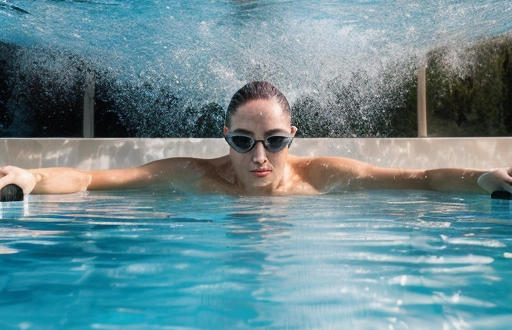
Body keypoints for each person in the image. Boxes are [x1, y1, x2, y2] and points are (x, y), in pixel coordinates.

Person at [1, 81, 511, 197]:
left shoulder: (323, 177)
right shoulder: (195, 176)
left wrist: (485, 178)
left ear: (293, 136)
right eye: (244, 142)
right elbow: (90, 179)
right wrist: (32, 176)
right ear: (225, 138)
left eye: (274, 141)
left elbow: (420, 180)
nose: (260, 156)